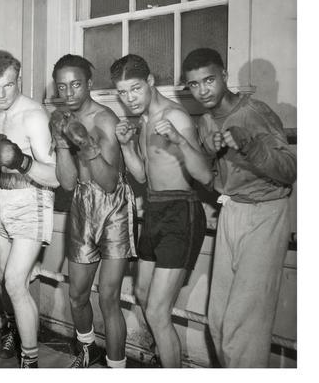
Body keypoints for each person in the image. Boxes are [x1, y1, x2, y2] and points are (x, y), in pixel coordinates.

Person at [181, 48, 296, 367]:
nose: (202, 90)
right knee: (218, 320)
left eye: (209, 80)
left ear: (224, 77)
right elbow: (215, 177)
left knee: (243, 327)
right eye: (193, 85)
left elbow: (290, 170)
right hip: (231, 211)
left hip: (264, 212)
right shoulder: (205, 121)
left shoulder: (255, 112)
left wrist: (250, 144)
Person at [110, 54, 212, 368]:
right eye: (123, 93)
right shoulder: (142, 122)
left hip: (181, 211)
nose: (129, 98)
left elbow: (204, 174)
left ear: (151, 81)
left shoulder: (176, 116)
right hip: (153, 210)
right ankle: (163, 361)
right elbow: (141, 176)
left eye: (135, 89)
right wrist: (126, 146)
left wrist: (179, 139)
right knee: (141, 291)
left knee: (157, 312)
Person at [50, 54, 137, 369]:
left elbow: (111, 182)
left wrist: (85, 144)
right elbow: (68, 183)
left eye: (75, 84)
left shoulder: (105, 120)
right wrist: (61, 141)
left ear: (88, 84)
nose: (69, 92)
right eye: (63, 86)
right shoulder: (63, 118)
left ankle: (116, 368)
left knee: (108, 298)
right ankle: (87, 349)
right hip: (82, 205)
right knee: (77, 295)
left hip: (113, 208)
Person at [0, 50, 59, 368]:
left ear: (19, 79)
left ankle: (30, 361)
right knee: (3, 278)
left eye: (9, 86)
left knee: (16, 281)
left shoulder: (34, 115)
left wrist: (21, 161)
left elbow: (55, 177)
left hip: (32, 201)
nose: (1, 94)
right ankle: (14, 328)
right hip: (1, 200)